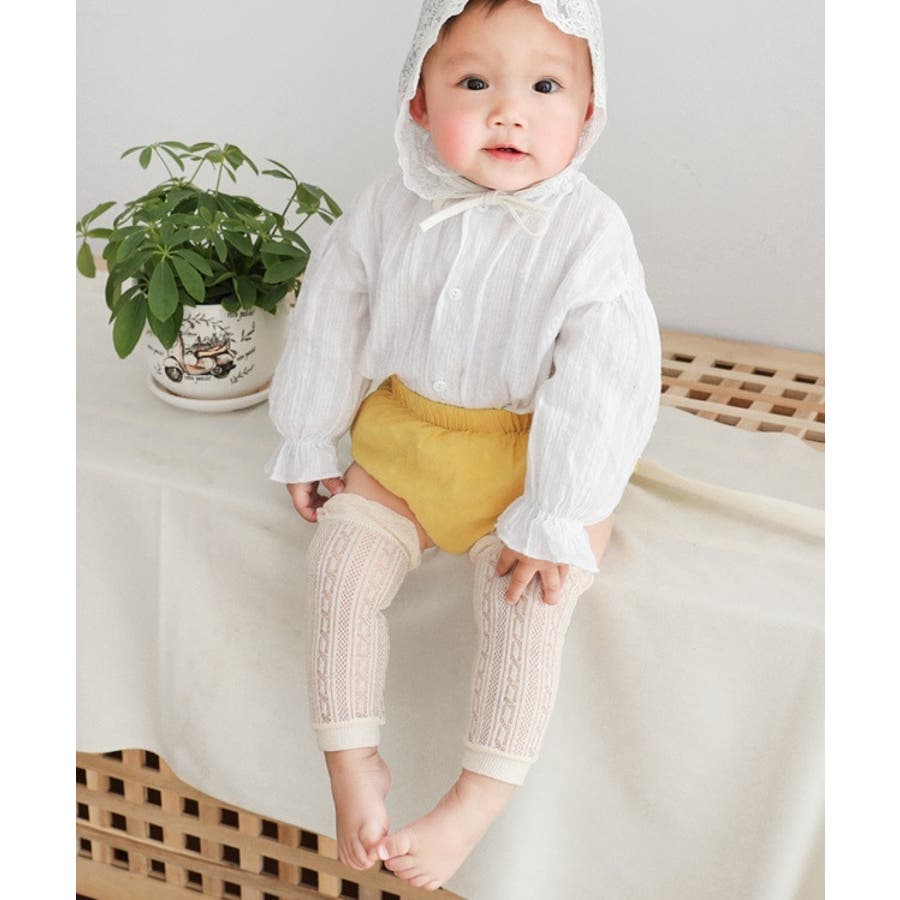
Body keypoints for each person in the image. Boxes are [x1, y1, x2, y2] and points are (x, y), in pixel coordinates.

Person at [264, 0, 662, 890]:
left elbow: (606, 380)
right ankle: (350, 761)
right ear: (419, 100)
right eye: (475, 82)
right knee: (338, 574)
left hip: (530, 463)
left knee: (529, 608)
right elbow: (332, 312)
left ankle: (473, 802)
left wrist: (556, 512)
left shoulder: (590, 232)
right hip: (406, 441)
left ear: (589, 110)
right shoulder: (389, 205)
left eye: (546, 87)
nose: (508, 112)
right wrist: (311, 436)